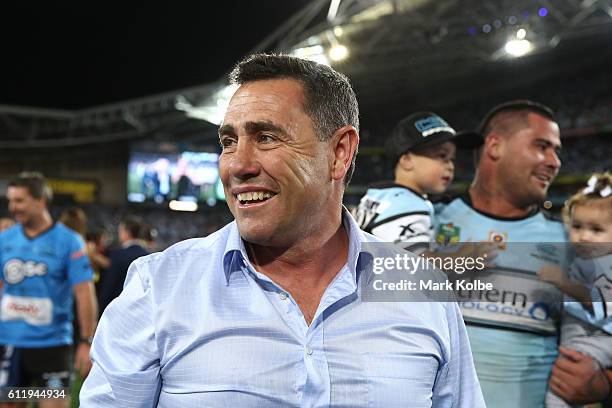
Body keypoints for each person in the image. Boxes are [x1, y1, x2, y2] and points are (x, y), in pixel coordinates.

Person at [80, 54, 485, 407]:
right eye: (228, 141)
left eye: (267, 137)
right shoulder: (160, 286)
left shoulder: (423, 289)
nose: (237, 165)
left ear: (339, 153)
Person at [435, 100, 568, 407]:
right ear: (495, 145)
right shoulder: (431, 223)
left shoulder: (567, 241)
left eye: (556, 150)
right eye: (542, 146)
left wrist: (600, 378)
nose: (555, 161)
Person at [0, 172, 97, 408]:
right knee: (11, 403)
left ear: (41, 200)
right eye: (10, 201)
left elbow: (84, 293)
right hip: (10, 346)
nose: (13, 207)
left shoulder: (69, 241)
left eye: (19, 201)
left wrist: (86, 341)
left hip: (52, 347)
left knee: (52, 404)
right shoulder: (5, 239)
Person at [538, 172, 612, 407]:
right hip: (582, 339)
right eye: (577, 226)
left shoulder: (605, 264)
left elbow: (602, 305)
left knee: (557, 398)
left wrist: (563, 283)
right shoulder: (587, 258)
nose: (583, 237)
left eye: (596, 230)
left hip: (594, 343)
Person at [354, 111, 457, 252]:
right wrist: (466, 258)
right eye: (442, 155)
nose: (450, 166)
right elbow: (415, 264)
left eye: (452, 159)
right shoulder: (407, 204)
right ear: (407, 160)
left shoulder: (379, 196)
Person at [96, 216, 149, 315]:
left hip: (117, 312)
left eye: (120, 231)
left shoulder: (117, 255)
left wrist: (101, 311)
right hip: (140, 313)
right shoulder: (148, 257)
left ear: (127, 232)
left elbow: (109, 286)